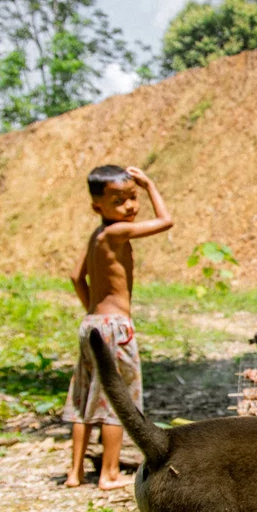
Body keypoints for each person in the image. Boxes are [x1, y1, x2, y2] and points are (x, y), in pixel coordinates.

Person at [63, 165, 174, 489]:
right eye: (119, 200)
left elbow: (75, 276)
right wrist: (150, 184)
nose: (130, 206)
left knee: (84, 398)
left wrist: (92, 312)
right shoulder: (116, 232)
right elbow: (166, 221)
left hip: (92, 324)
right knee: (118, 398)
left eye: (133, 197)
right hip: (115, 327)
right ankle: (109, 473)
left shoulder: (96, 235)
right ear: (98, 206)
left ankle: (75, 473)